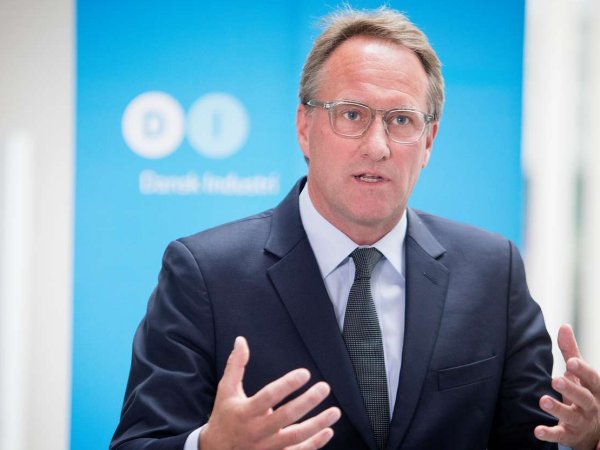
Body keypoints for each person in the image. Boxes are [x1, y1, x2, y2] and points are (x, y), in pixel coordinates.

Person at [110, 7, 600, 450]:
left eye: (401, 120)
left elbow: (532, 439)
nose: (377, 146)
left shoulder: (493, 271)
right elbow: (139, 442)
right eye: (351, 115)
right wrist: (209, 447)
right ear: (305, 127)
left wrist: (584, 442)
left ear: (428, 141)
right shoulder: (205, 274)